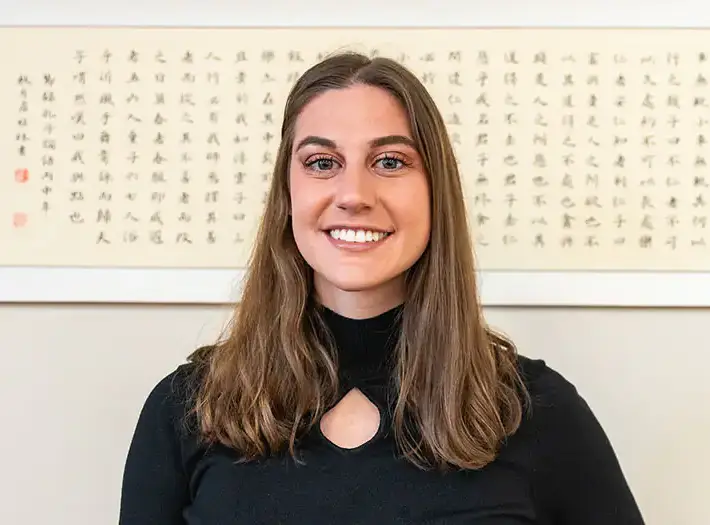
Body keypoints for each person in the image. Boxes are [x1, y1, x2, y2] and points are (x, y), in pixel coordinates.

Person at [118, 51, 645, 524]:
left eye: (389, 162)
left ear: (435, 190)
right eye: (322, 163)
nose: (353, 194)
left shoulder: (536, 410)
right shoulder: (188, 410)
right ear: (287, 194)